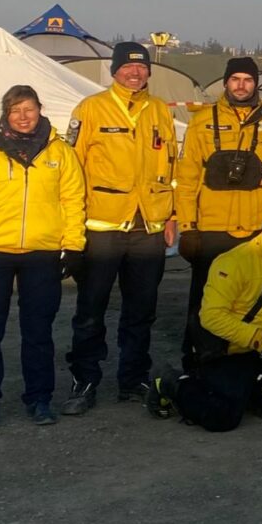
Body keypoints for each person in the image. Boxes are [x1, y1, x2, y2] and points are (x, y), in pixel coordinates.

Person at [0, 86, 86, 430]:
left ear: (40, 109)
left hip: (41, 254)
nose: (23, 117)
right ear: (5, 115)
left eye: (29, 109)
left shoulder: (60, 153)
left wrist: (73, 246)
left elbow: (73, 200)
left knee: (38, 332)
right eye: (15, 111)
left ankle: (39, 400)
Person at [61, 42, 177, 416]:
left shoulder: (158, 110)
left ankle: (133, 378)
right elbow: (71, 168)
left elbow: (171, 164)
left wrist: (171, 214)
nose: (135, 73)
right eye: (127, 67)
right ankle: (85, 379)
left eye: (141, 67)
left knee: (141, 310)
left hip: (149, 227)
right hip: (103, 226)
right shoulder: (90, 109)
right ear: (114, 70)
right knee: (91, 309)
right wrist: (72, 226)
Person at [145, 197, 262, 431]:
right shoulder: (234, 261)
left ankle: (259, 386)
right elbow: (211, 316)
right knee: (222, 417)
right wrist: (258, 339)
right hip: (230, 348)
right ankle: (170, 383)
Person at [175, 56, 262, 369]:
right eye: (235, 79)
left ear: (256, 84)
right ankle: (197, 364)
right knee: (205, 302)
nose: (242, 86)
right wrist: (188, 228)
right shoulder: (201, 122)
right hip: (213, 230)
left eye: (248, 80)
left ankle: (253, 368)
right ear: (226, 83)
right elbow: (186, 180)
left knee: (257, 300)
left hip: (258, 229)